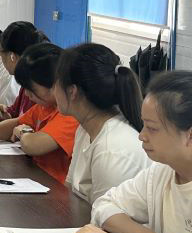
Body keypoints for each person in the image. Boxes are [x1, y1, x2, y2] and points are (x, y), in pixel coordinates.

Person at [74, 71, 192, 233]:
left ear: (190, 136)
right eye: (143, 124)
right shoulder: (161, 172)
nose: (141, 135)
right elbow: (105, 204)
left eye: (152, 128)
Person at [0, 43, 78, 183]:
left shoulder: (69, 115)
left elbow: (33, 145)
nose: (26, 93)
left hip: (54, 185)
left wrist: (23, 132)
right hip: (35, 176)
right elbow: (15, 124)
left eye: (31, 88)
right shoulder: (44, 106)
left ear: (53, 84)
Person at [55, 43, 149, 203]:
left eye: (56, 82)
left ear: (72, 92)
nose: (53, 90)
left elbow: (106, 216)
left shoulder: (112, 150)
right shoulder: (85, 129)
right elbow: (70, 190)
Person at [0, 21, 49, 121]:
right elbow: (14, 113)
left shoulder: (39, 89)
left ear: (12, 56)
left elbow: (23, 123)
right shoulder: (26, 81)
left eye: (1, 54)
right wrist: (2, 111)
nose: (28, 94)